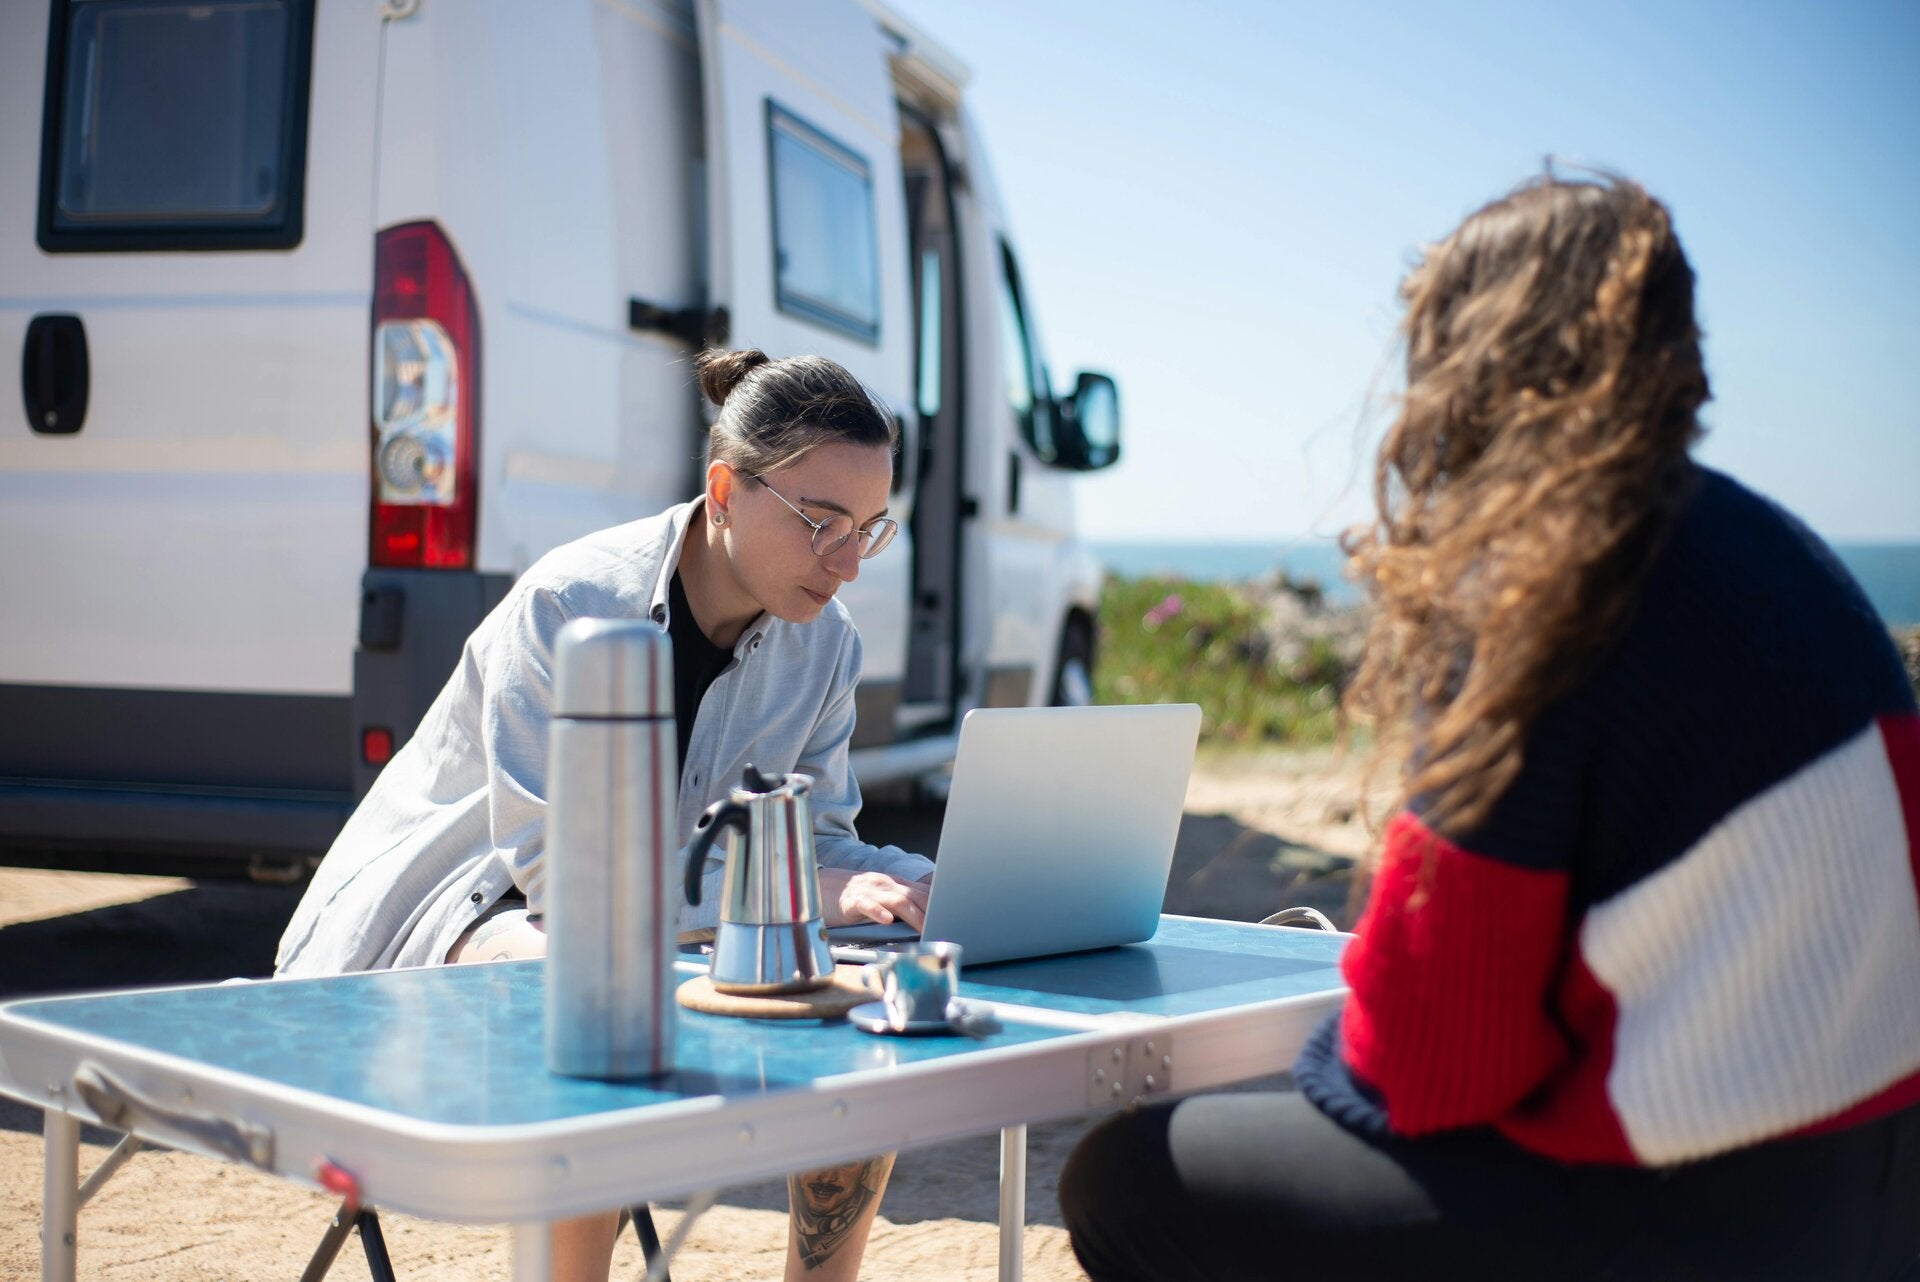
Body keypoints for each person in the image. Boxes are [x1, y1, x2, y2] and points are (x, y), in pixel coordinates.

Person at [1059, 173, 1920, 1280]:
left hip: (1696, 1210)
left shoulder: (1545, 582)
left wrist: (1329, 1051)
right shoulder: (1782, 550)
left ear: (1464, 359)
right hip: (1876, 1188)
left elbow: (1432, 1070)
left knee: (1131, 1178)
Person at [277, 347, 933, 1282]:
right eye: (821, 523)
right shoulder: (570, 605)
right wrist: (798, 892)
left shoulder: (827, 646)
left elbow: (820, 842)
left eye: (868, 531)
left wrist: (926, 883)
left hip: (648, 937)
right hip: (444, 926)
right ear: (724, 491)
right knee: (594, 986)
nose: (848, 564)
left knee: (861, 989)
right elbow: (562, 880)